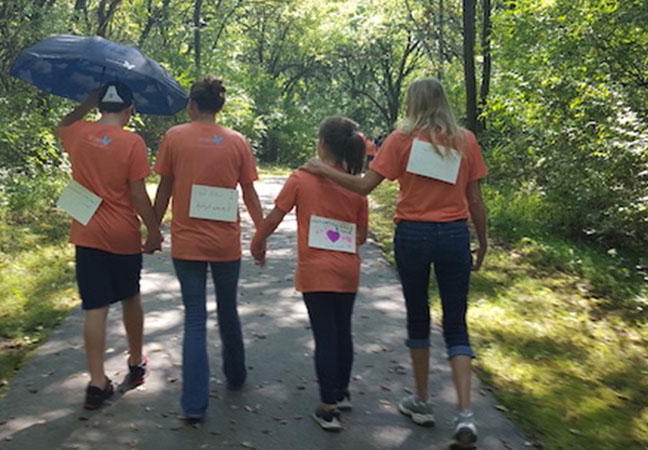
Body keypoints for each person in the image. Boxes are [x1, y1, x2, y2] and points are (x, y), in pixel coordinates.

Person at [303, 77, 487, 448]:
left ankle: (422, 400)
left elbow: (364, 186)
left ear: (413, 104)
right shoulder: (464, 140)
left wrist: (322, 170)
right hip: (453, 235)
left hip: (414, 236)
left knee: (418, 315)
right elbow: (475, 197)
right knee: (457, 324)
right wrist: (482, 239)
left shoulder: (402, 140)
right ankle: (465, 414)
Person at [153, 76, 264, 423]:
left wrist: (153, 229)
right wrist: (260, 235)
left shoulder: (174, 138)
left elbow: (165, 188)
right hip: (225, 243)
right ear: (219, 107)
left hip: (186, 243)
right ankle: (235, 374)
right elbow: (249, 193)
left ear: (192, 105)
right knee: (228, 309)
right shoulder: (237, 142)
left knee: (195, 319)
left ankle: (193, 404)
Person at [251, 116, 368, 431]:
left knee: (325, 334)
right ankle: (341, 392)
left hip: (316, 269)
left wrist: (258, 241)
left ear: (322, 143)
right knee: (342, 330)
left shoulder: (301, 179)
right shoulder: (357, 185)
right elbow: (361, 236)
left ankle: (328, 408)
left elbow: (276, 215)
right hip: (347, 270)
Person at [55, 82, 163, 410]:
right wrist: (154, 231)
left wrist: (86, 102)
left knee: (95, 307)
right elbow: (137, 194)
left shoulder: (79, 133)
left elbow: (59, 127)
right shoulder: (132, 141)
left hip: (86, 232)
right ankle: (135, 361)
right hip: (122, 235)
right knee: (130, 295)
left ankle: (97, 383)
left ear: (101, 106)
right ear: (129, 110)